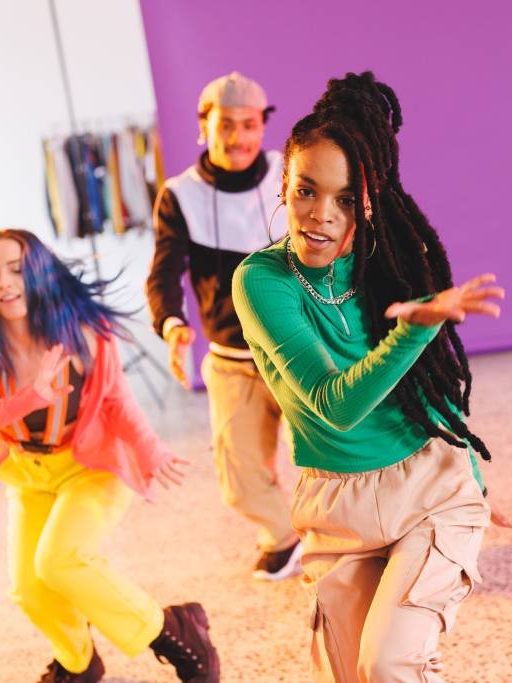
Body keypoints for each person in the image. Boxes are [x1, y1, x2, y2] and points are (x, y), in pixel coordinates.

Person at [232, 71, 509, 682]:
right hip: (337, 504)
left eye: (345, 200)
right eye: (306, 191)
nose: (321, 216)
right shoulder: (261, 281)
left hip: (429, 491)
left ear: (370, 201)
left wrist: (471, 478)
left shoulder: (391, 265)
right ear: (284, 183)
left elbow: (426, 387)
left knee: (389, 662)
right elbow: (333, 404)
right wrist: (415, 329)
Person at [0, 229, 220, 683]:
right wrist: (27, 399)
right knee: (28, 588)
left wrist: (150, 447)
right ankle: (78, 662)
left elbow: (116, 401)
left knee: (60, 559)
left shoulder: (84, 327)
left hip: (91, 465)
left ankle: (175, 630)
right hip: (27, 472)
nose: (4, 282)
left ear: (39, 272)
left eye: (16, 269)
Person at [145, 72, 302, 581]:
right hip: (233, 361)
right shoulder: (180, 195)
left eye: (249, 125)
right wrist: (172, 324)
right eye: (226, 125)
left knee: (334, 456)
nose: (238, 137)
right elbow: (164, 273)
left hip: (302, 349)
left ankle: (351, 538)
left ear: (263, 126)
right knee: (238, 481)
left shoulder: (291, 173)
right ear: (204, 125)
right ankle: (285, 537)